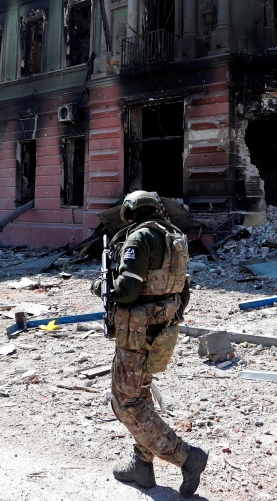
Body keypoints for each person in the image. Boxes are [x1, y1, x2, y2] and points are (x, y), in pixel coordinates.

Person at [93, 190, 208, 497]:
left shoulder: (139, 238)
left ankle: (187, 457)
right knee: (140, 394)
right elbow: (183, 291)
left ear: (130, 213)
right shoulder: (175, 238)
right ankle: (142, 465)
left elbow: (127, 291)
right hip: (162, 332)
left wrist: (101, 286)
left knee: (124, 401)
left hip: (136, 334)